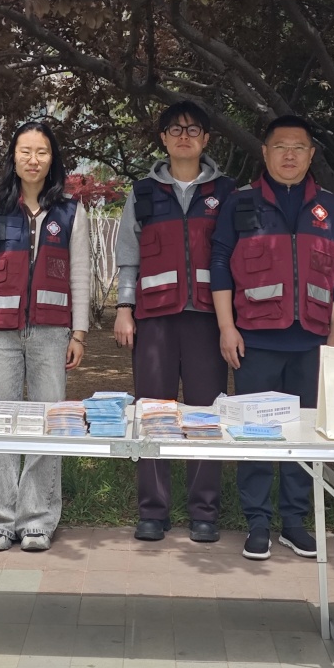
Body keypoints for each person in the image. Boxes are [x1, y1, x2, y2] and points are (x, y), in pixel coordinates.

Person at [211, 115, 334, 561]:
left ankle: (294, 522)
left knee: (304, 437)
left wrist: (333, 338)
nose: (290, 155)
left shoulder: (330, 207)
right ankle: (257, 522)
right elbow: (220, 264)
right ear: (265, 152)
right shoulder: (240, 202)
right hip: (255, 341)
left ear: (311, 155)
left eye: (299, 147)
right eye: (281, 147)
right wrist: (227, 327)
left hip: (312, 343)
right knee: (254, 434)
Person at [114, 101, 234, 544]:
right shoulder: (144, 192)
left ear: (206, 139)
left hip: (207, 320)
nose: (184, 136)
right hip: (154, 320)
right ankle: (153, 510)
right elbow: (128, 256)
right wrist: (124, 308)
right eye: (175, 129)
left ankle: (204, 510)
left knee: (205, 414)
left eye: (193, 129)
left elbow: (235, 255)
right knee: (154, 413)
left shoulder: (227, 192)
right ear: (163, 138)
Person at [0, 120, 90, 553]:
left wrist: (79, 332)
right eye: (25, 151)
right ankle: (0, 518)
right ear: (13, 157)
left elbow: (80, 274)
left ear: (52, 158)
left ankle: (37, 519)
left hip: (51, 333)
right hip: (0, 333)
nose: (33, 159)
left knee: (48, 422)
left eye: (42, 151)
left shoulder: (71, 211)